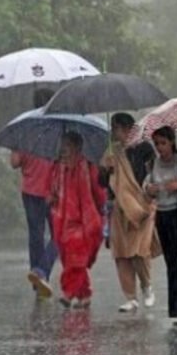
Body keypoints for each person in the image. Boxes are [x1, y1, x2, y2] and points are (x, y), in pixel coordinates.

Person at [101, 113, 161, 312]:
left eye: (116, 128)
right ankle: (130, 297)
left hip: (141, 205)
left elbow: (154, 173)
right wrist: (106, 169)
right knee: (121, 253)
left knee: (139, 250)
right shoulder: (112, 152)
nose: (113, 132)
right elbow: (102, 183)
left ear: (127, 128)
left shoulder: (144, 148)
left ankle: (147, 286)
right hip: (119, 207)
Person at [48, 132, 107, 309]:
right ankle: (84, 294)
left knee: (76, 260)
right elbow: (50, 190)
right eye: (63, 145)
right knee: (70, 260)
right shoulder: (58, 168)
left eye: (68, 145)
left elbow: (99, 192)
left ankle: (68, 293)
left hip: (84, 222)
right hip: (62, 221)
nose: (64, 149)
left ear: (77, 147)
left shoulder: (88, 167)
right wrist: (50, 197)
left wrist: (102, 211)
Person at [145, 126, 177, 322]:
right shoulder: (152, 164)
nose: (160, 148)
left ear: (172, 142)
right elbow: (146, 186)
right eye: (156, 144)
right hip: (163, 215)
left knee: (174, 260)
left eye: (163, 143)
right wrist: (149, 189)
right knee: (172, 261)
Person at [11, 88, 58, 300]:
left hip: (30, 191)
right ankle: (42, 272)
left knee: (35, 236)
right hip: (54, 191)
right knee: (60, 235)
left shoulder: (25, 128)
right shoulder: (58, 128)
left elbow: (14, 162)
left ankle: (38, 279)